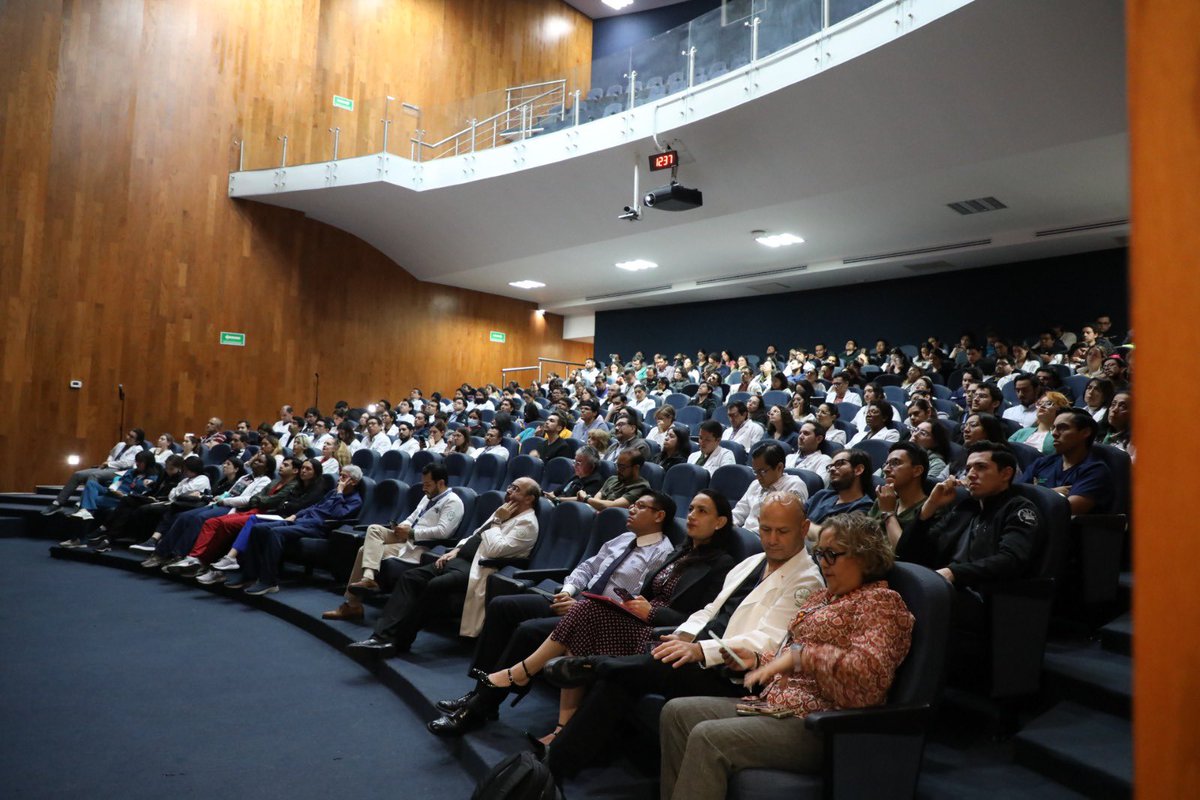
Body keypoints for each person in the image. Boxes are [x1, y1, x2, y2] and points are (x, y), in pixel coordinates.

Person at [539, 492, 825, 777]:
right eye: (765, 529)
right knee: (623, 676)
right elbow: (710, 610)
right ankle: (560, 764)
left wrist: (701, 650)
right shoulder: (752, 562)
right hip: (703, 653)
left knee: (624, 671)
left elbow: (768, 639)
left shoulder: (807, 579)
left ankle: (592, 670)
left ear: (803, 528)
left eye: (782, 531)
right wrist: (684, 636)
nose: (772, 538)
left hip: (734, 671)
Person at [448, 492, 739, 748]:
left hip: (652, 631)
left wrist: (650, 612)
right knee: (506, 607)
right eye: (691, 509)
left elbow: (700, 617)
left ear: (720, 521)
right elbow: (591, 569)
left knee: (564, 620)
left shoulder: (718, 563)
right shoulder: (679, 552)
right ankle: (513, 704)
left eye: (702, 511)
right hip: (607, 612)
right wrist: (569, 591)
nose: (692, 516)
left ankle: (513, 680)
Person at [660, 512, 914, 800]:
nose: (824, 564)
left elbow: (869, 677)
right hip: (775, 706)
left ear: (866, 557)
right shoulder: (823, 597)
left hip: (821, 723)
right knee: (676, 712)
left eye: (832, 555)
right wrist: (757, 660)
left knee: (708, 737)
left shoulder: (880, 603)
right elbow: (788, 653)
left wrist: (803, 656)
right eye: (820, 554)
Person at [347, 477, 541, 652]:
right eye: (510, 487)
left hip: (480, 568)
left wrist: (498, 521)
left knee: (435, 586)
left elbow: (496, 550)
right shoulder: (505, 510)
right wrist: (455, 551)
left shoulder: (527, 523)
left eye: (516, 489)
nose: (509, 492)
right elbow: (475, 535)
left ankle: (400, 639)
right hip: (459, 559)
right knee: (410, 577)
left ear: (529, 499)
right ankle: (380, 636)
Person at [896, 441, 1044, 637]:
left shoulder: (1019, 509)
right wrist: (930, 506)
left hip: (986, 599)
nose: (971, 474)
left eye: (981, 467)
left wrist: (952, 573)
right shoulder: (966, 508)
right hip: (947, 590)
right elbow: (908, 552)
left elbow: (1011, 559)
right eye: (968, 468)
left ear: (1006, 474)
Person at [323, 463, 464, 620]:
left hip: (421, 547)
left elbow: (444, 532)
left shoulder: (453, 502)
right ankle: (367, 579)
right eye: (423, 483)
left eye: (427, 484)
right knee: (374, 529)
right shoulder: (427, 497)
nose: (424, 487)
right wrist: (402, 526)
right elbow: (412, 518)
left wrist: (411, 533)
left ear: (441, 483)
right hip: (406, 539)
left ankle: (353, 604)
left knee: (364, 551)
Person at [224, 464, 364, 596]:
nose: (340, 479)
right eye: (340, 475)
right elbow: (314, 507)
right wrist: (295, 515)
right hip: (302, 521)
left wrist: (340, 493)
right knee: (258, 528)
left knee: (275, 532)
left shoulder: (355, 500)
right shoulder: (333, 493)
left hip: (318, 527)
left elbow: (338, 515)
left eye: (344, 477)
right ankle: (249, 575)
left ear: (354, 482)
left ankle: (269, 581)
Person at [195, 458, 328, 585]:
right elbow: (278, 502)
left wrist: (287, 505)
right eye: (303, 468)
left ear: (315, 473)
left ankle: (229, 561)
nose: (303, 471)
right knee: (232, 523)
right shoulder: (296, 485)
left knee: (252, 522)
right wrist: (286, 504)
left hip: (293, 519)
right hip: (278, 514)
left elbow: (296, 506)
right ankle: (223, 563)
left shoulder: (317, 490)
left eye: (308, 469)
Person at [1020, 409, 1114, 514]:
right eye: (1053, 428)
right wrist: (1053, 493)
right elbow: (1014, 495)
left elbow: (1064, 510)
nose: (1054, 434)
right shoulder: (1043, 462)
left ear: (1085, 432)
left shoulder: (1095, 471)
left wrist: (1034, 491)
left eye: (1063, 428)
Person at [43, 428, 147, 515]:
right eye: (128, 434)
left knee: (94, 475)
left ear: (137, 441)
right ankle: (58, 503)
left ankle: (81, 505)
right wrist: (108, 461)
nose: (128, 437)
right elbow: (111, 454)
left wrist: (109, 464)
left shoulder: (137, 449)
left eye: (131, 437)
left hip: (119, 471)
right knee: (77, 474)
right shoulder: (120, 444)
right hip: (107, 467)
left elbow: (127, 463)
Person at [731, 443, 808, 533]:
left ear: (779, 467)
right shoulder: (755, 484)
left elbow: (781, 523)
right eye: (755, 472)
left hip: (769, 538)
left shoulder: (794, 485)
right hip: (745, 535)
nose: (758, 477)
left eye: (762, 471)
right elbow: (739, 512)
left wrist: (744, 534)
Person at [803, 448, 874, 540]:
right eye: (830, 466)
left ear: (858, 470)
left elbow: (832, 539)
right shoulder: (821, 495)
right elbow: (793, 515)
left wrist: (802, 524)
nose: (832, 469)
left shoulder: (865, 507)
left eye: (839, 464)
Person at [869, 441, 930, 547]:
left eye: (895, 463)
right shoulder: (883, 499)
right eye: (886, 464)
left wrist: (888, 512)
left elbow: (903, 554)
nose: (886, 469)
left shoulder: (929, 509)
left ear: (917, 471)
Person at [580, 450, 650, 511]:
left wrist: (586, 498)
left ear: (636, 468)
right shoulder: (612, 479)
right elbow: (596, 499)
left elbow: (613, 506)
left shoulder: (641, 487)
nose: (618, 470)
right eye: (617, 466)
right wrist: (594, 503)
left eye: (622, 467)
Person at [1102, 390, 1133, 456]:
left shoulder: (1134, 443)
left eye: (1122, 407)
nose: (1114, 410)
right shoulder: (1097, 432)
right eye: (1113, 404)